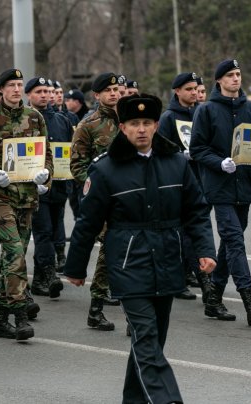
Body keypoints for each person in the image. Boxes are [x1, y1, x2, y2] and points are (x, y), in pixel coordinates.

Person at [64, 94, 216, 404]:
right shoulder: (106, 170)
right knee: (146, 337)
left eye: (147, 123)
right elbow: (87, 221)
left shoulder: (176, 163)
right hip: (129, 263)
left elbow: (196, 211)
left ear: (157, 125)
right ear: (123, 127)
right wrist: (76, 267)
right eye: (134, 124)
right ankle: (168, 398)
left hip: (168, 261)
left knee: (152, 342)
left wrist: (205, 249)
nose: (142, 130)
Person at [0, 67, 53, 340]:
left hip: (26, 197)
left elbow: (46, 155)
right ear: (0, 89)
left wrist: (45, 178)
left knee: (11, 258)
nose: (16, 89)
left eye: (19, 84)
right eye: (11, 85)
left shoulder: (34, 117)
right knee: (15, 252)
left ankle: (2, 320)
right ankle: (20, 315)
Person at [190, 59, 251, 326]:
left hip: (246, 185)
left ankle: (213, 298)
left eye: (238, 74)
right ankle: (249, 300)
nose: (235, 79)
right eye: (230, 75)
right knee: (235, 240)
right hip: (219, 186)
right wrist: (219, 163)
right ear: (219, 81)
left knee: (229, 244)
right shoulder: (206, 110)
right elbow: (197, 149)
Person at [70, 72, 126, 312]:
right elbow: (77, 165)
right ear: (97, 95)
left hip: (130, 192)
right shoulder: (88, 125)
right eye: (108, 91)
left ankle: (114, 298)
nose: (114, 94)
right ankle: (97, 304)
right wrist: (95, 187)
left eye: (117, 90)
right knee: (109, 246)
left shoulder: (131, 120)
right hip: (102, 197)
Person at [157, 71, 211, 301]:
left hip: (202, 178)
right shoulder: (169, 117)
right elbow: (161, 148)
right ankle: (191, 280)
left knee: (196, 230)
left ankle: (191, 275)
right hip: (178, 181)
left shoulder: (203, 112)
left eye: (196, 89)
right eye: (188, 89)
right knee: (182, 233)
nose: (193, 93)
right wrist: (180, 155)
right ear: (177, 91)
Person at [25, 77, 68, 301]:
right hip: (34, 187)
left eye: (46, 91)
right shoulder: (25, 120)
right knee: (43, 232)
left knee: (52, 231)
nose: (44, 95)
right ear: (29, 95)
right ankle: (49, 274)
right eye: (39, 91)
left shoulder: (60, 120)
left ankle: (40, 279)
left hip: (58, 186)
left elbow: (68, 153)